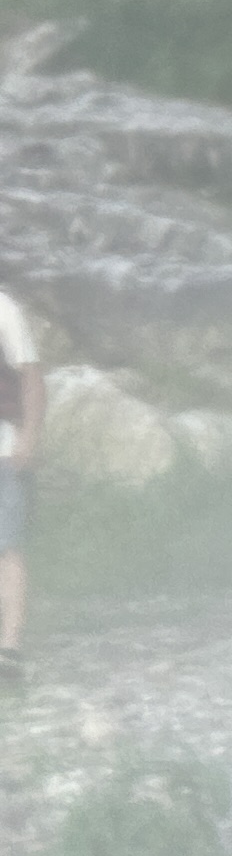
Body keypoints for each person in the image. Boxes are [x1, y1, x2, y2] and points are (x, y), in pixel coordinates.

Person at [0, 275, 37, 682]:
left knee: (7, 547)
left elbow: (30, 376)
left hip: (3, 450)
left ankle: (9, 648)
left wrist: (29, 436)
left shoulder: (4, 309)